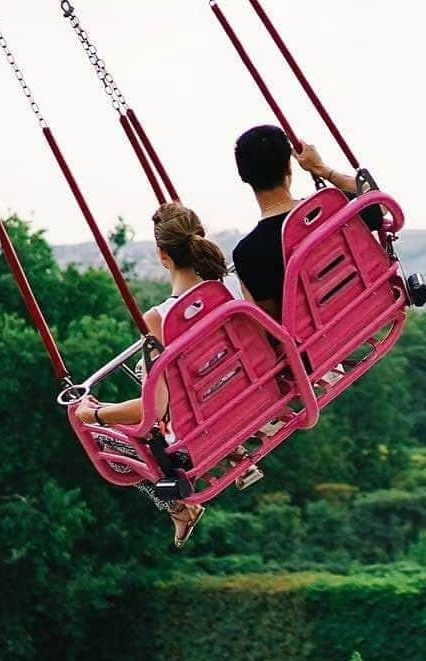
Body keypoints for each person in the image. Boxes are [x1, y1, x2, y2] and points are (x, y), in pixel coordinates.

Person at [75, 202, 233, 549]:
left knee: (104, 435)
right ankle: (236, 462)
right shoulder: (231, 294)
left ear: (163, 255)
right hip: (246, 406)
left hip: (200, 434)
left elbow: (151, 412)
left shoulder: (160, 320)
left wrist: (96, 414)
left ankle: (177, 506)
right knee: (152, 376)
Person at [232, 125, 375, 318]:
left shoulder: (248, 253)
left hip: (312, 334)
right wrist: (321, 169)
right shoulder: (332, 209)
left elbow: (274, 323)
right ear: (289, 167)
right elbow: (379, 206)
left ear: (243, 176)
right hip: (365, 300)